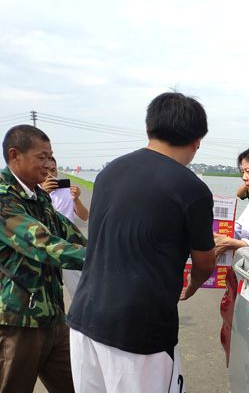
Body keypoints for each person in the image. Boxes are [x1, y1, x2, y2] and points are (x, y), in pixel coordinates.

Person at [66, 92, 217, 393]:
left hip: (85, 316)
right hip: (139, 331)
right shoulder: (192, 189)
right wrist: (192, 285)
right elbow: (204, 262)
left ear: (149, 128)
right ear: (197, 141)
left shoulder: (109, 172)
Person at [0, 125, 87, 393]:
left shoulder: (39, 197)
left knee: (78, 385)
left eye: (51, 157)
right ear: (15, 155)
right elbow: (43, 244)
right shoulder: (4, 197)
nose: (49, 164)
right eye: (42, 157)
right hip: (18, 321)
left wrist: (120, 247)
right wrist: (105, 259)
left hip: (52, 317)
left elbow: (70, 233)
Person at [41, 157, 89, 222]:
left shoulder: (68, 191)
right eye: (45, 171)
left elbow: (85, 217)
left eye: (53, 170)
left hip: (67, 228)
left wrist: (76, 199)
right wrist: (43, 193)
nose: (50, 175)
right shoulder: (32, 191)